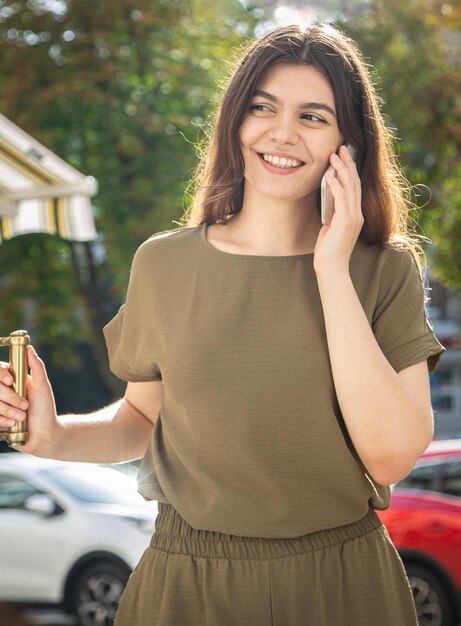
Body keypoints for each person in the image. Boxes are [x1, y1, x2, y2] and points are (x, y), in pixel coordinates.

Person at [0, 22, 446, 626]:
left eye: (314, 116)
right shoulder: (163, 264)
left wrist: (332, 270)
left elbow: (391, 457)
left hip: (341, 584)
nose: (282, 132)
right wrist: (54, 437)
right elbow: (140, 420)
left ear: (348, 143)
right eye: (263, 107)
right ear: (236, 121)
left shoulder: (384, 271)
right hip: (189, 583)